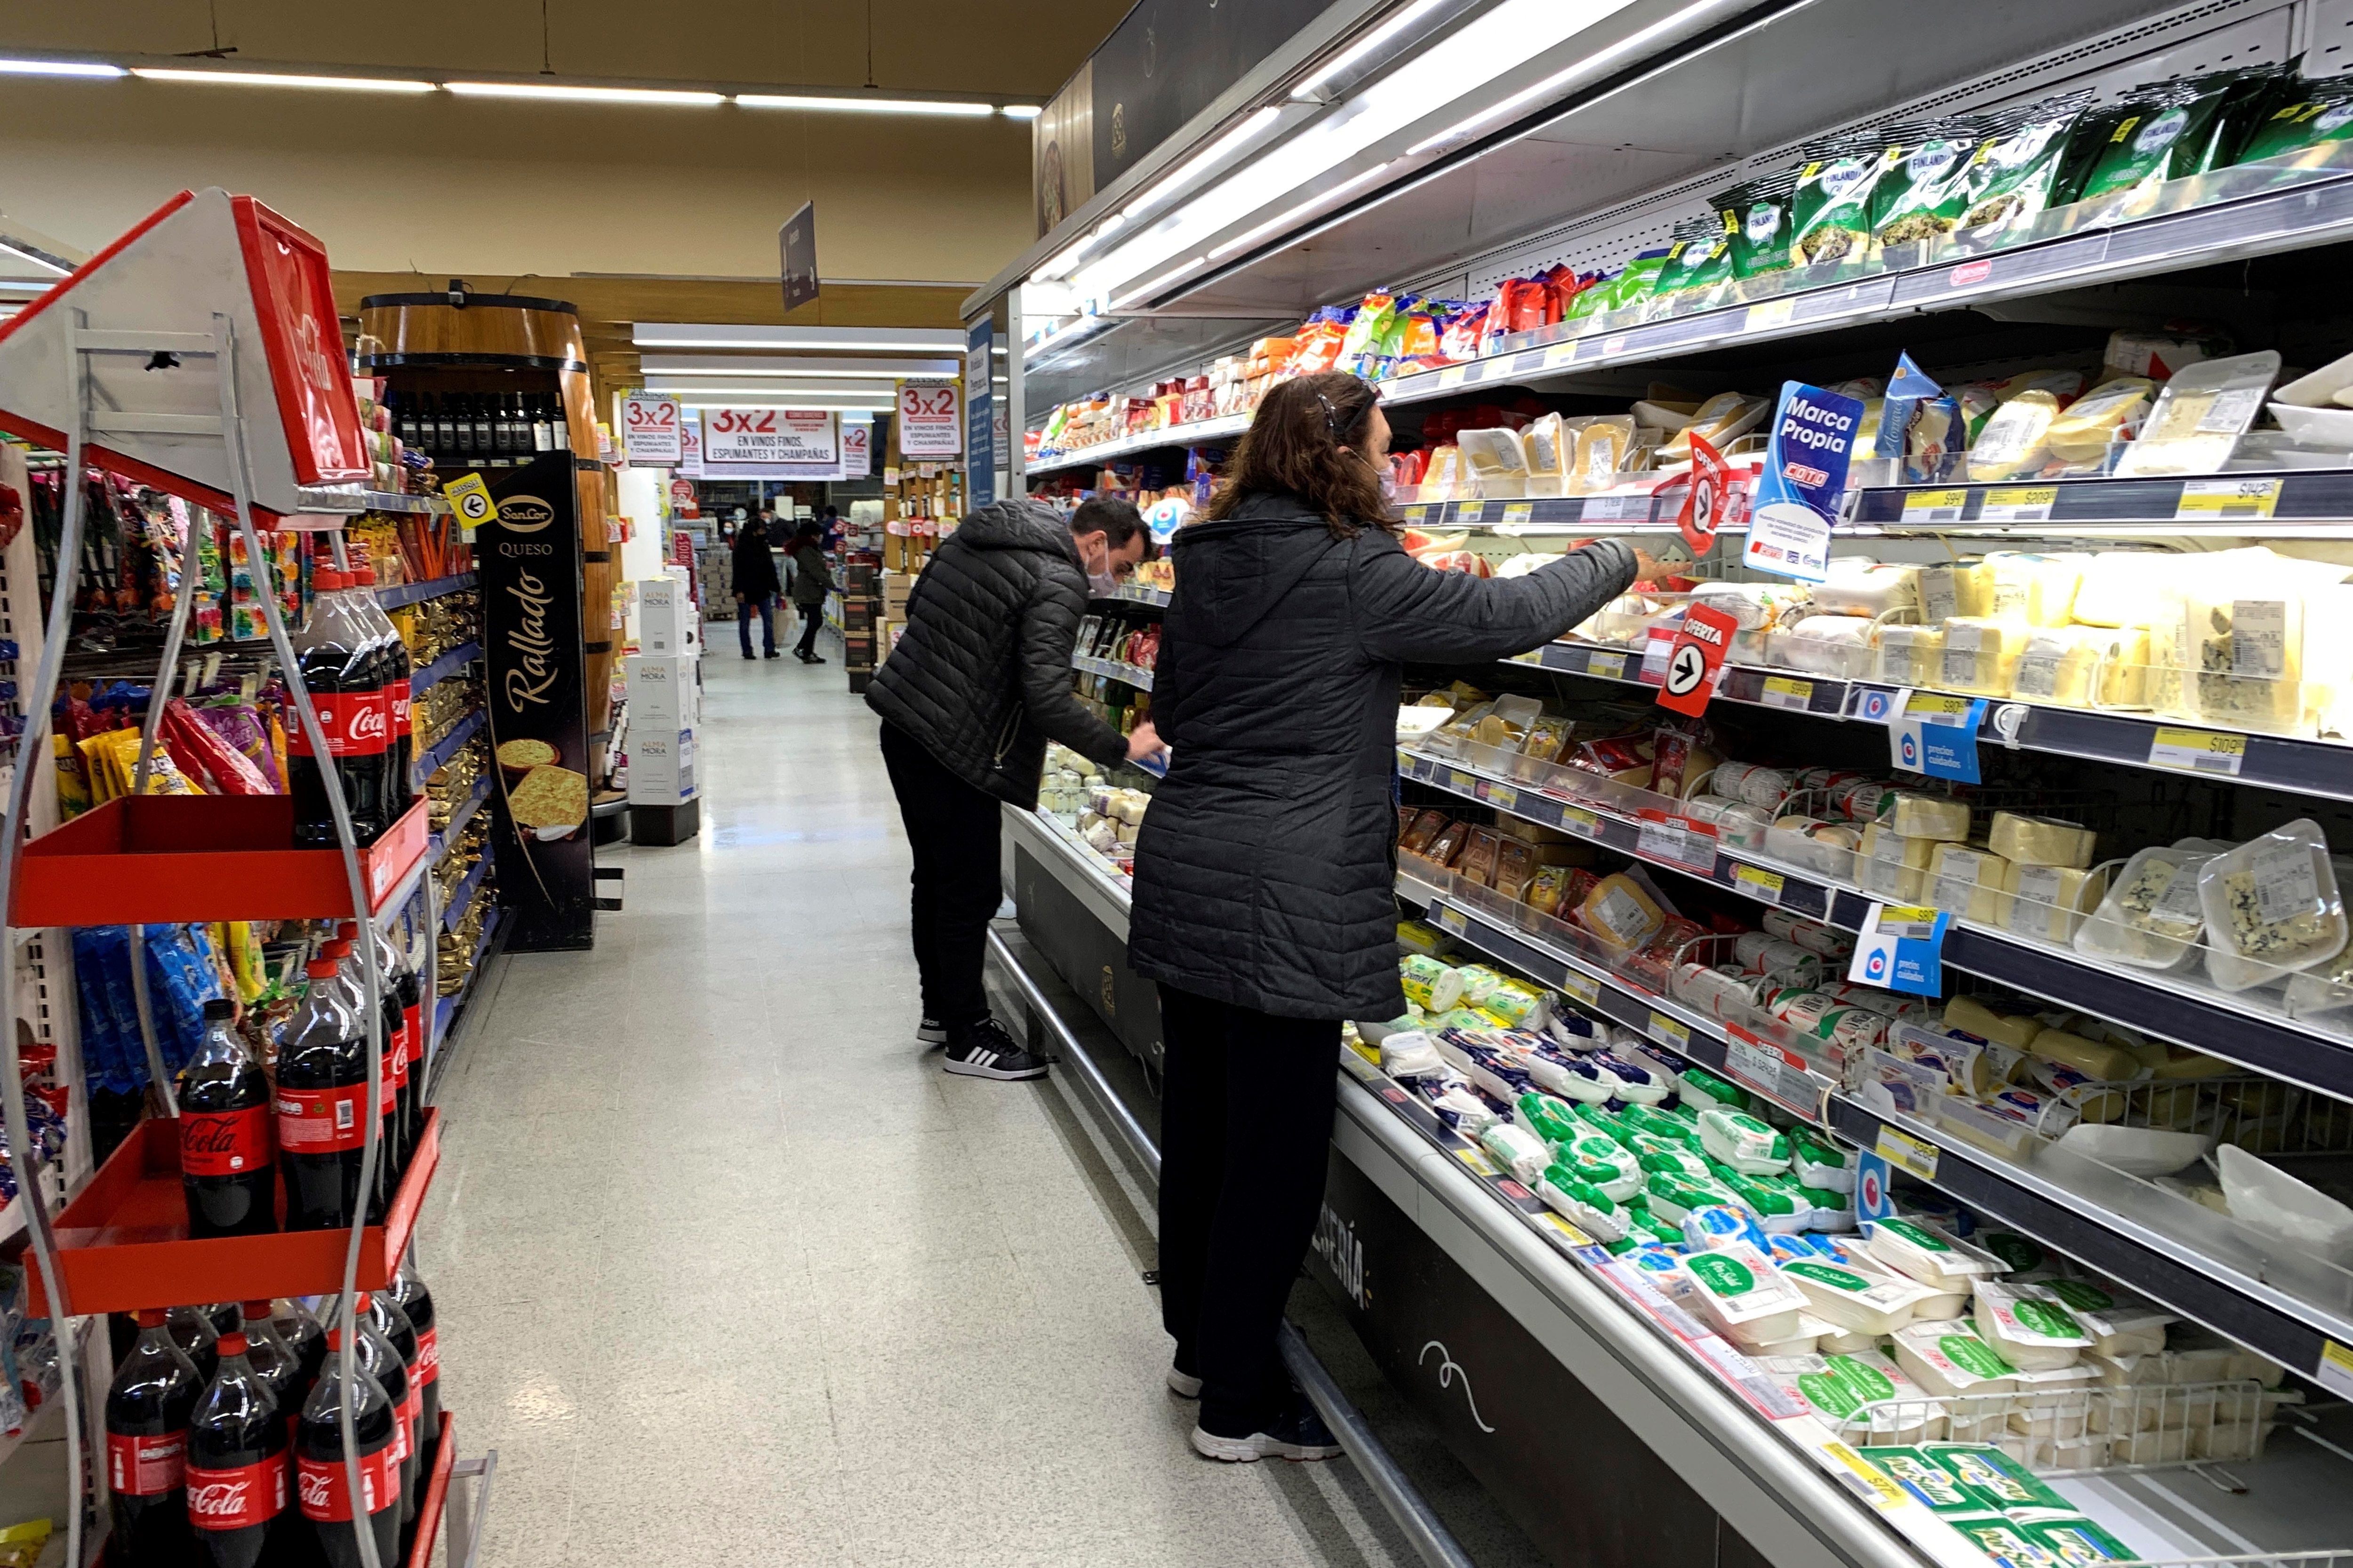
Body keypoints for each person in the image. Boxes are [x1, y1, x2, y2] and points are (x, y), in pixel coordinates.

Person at [1127, 372, 1659, 1464]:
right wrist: (1618, 551)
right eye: (1379, 450)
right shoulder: (1354, 569)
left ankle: (1198, 1345)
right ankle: (1238, 1404)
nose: (1389, 468)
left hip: (1189, 869)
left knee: (1203, 1133)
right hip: (1290, 893)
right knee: (1273, 1158)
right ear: (1334, 459)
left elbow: (1174, 712)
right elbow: (1507, 617)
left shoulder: (1206, 564)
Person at [866, 495, 1163, 1080]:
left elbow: (924, 612)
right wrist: (1119, 747)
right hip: (955, 746)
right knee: (969, 891)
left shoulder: (976, 537)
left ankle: (941, 1008)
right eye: (1123, 567)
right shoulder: (1059, 576)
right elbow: (1048, 698)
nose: (1117, 580)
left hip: (905, 725)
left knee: (934, 877)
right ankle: (968, 1034)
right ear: (1097, 543)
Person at [731, 513, 783, 660]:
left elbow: (770, 568)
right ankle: (747, 651)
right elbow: (738, 570)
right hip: (745, 589)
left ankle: (769, 649)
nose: (764, 533)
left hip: (763, 588)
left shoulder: (764, 546)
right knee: (745, 622)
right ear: (755, 530)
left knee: (768, 620)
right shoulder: (741, 547)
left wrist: (777, 588)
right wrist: (739, 590)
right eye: (762, 530)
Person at [786, 522, 833, 664]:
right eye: (818, 535)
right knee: (816, 621)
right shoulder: (806, 550)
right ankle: (801, 648)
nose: (820, 538)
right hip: (808, 590)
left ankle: (808, 652)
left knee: (813, 621)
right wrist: (833, 586)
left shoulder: (810, 548)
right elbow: (816, 571)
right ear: (812, 536)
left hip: (812, 589)